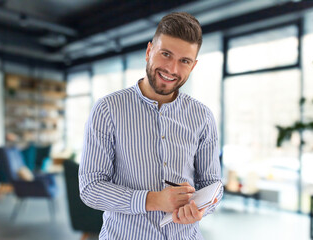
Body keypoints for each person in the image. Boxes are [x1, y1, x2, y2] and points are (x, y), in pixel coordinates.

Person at [79, 12, 223, 240]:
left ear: (193, 65)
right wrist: (154, 200)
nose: (172, 69)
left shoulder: (203, 116)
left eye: (184, 61)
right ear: (149, 51)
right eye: (166, 54)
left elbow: (213, 184)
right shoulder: (107, 109)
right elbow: (91, 188)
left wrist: (200, 210)